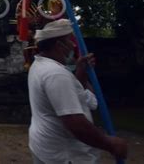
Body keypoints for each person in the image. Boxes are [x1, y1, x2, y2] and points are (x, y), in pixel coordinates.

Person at [28, 19, 128, 163]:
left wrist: (81, 73)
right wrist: (110, 144)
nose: (73, 45)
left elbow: (73, 96)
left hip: (46, 147)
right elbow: (76, 124)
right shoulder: (55, 74)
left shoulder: (40, 65)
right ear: (58, 45)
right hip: (64, 155)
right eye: (69, 40)